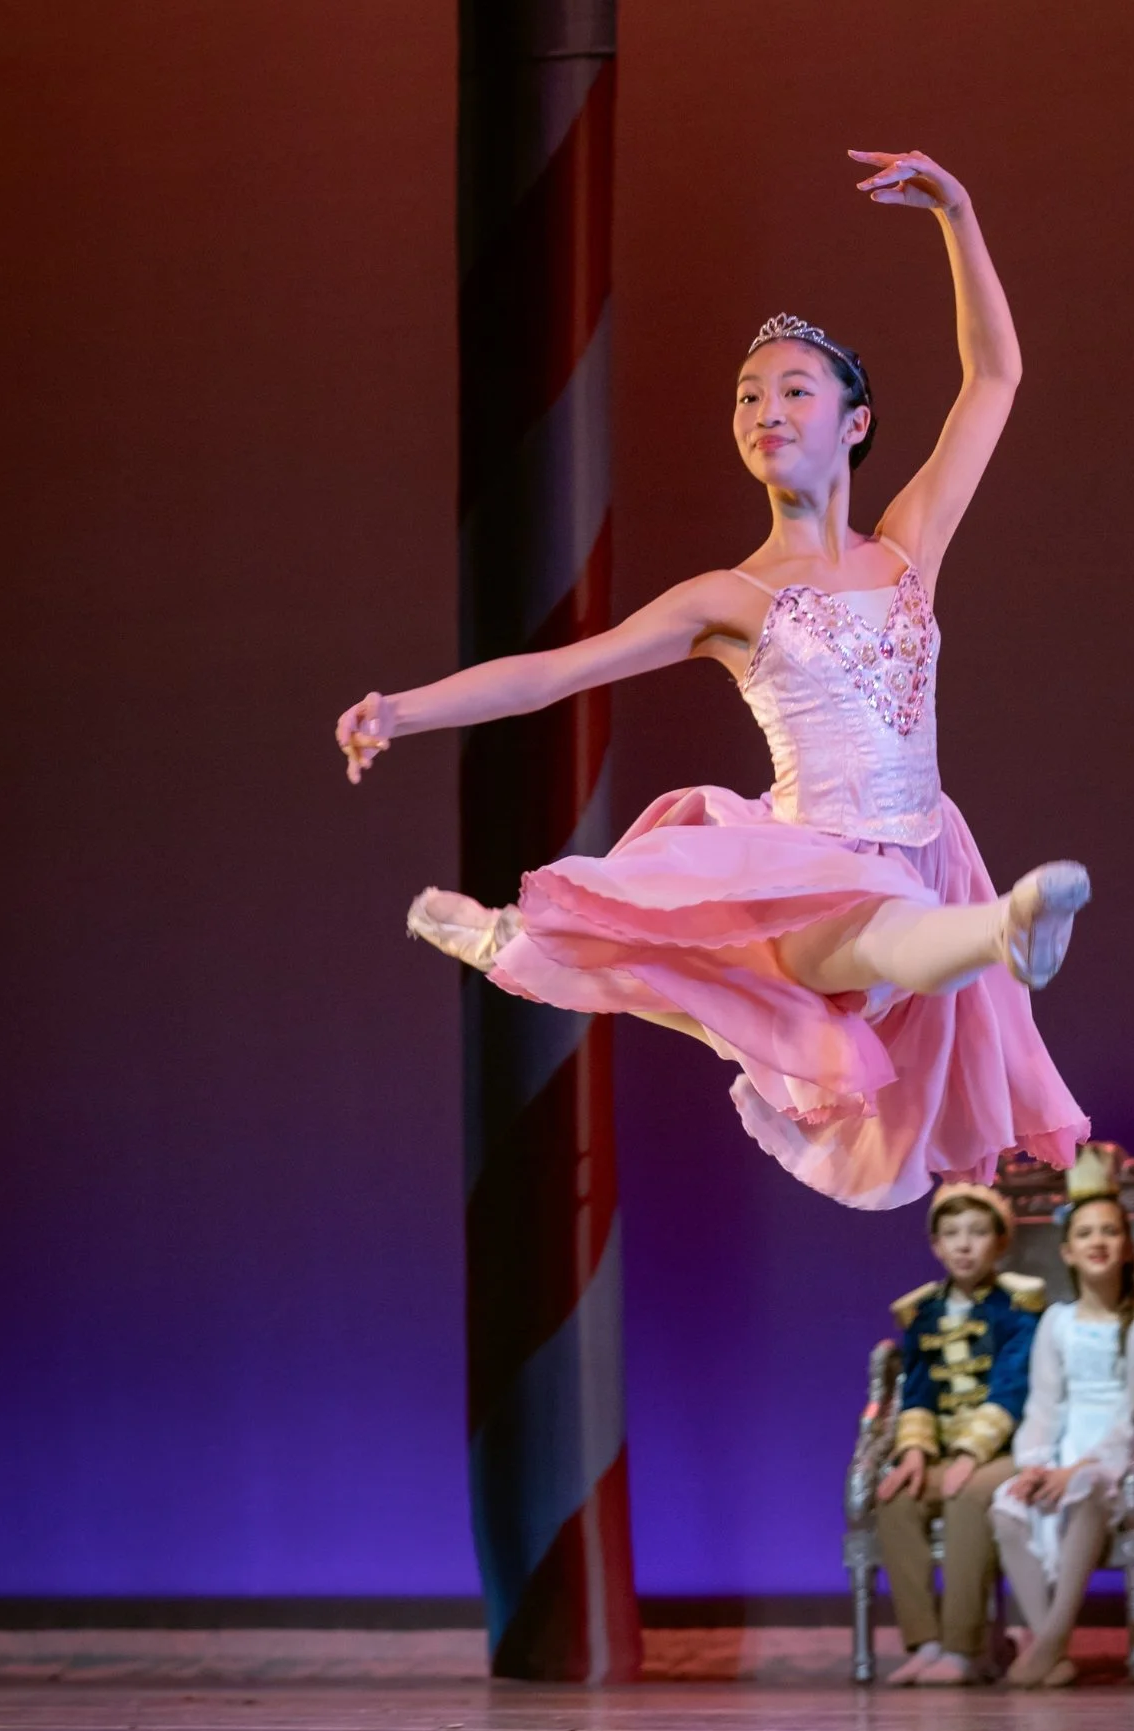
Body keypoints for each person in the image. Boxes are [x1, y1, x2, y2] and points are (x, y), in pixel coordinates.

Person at [335, 149, 1089, 1211]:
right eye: (747, 396)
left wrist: (956, 213)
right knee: (872, 935)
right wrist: (400, 710)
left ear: (855, 423)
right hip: (804, 866)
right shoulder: (729, 598)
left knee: (888, 934)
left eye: (793, 390)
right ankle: (1009, 931)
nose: (763, 409)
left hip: (928, 842)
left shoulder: (906, 550)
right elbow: (556, 673)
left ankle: (999, 929)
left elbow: (994, 380)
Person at [991, 1158, 1134, 1687]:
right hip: (1063, 1448)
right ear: (1067, 1250)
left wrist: (1081, 1468)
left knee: (1089, 1489)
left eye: (1110, 1232)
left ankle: (1050, 1644)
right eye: (1086, 1233)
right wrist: (1035, 1463)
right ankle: (1050, 1646)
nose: (1098, 1242)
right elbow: (1045, 1404)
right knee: (1007, 1507)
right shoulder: (1057, 1321)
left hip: (1121, 1457)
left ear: (1128, 1246)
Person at [875, 1181, 1044, 1686]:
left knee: (968, 1496)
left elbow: (1013, 1386)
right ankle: (925, 1642)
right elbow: (919, 1390)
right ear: (936, 1245)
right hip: (946, 1452)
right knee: (897, 1498)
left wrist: (971, 1453)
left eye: (977, 1232)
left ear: (1000, 1241)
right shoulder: (924, 1312)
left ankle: (962, 1647)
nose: (964, 1245)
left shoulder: (1016, 1308)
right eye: (952, 1234)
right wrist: (913, 1452)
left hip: (1008, 1448)